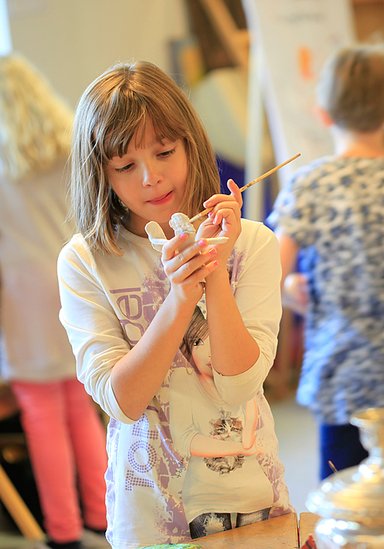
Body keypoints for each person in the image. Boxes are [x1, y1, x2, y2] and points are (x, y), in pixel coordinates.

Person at [57, 60, 290, 547]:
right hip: (148, 512)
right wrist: (182, 296)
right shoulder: (85, 260)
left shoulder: (253, 243)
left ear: (190, 144)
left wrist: (214, 272)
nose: (151, 177)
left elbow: (239, 384)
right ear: (100, 174)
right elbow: (123, 402)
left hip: (253, 500)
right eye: (125, 166)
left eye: (164, 152)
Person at [268, 44, 384, 480]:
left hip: (344, 373)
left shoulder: (309, 185)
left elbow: (270, 273)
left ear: (322, 114)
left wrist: (291, 290)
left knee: (346, 497)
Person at [0, 54, 108, 549]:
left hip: (21, 295)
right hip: (72, 275)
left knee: (41, 410)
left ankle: (63, 531)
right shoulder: (68, 147)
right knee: (80, 401)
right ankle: (102, 513)